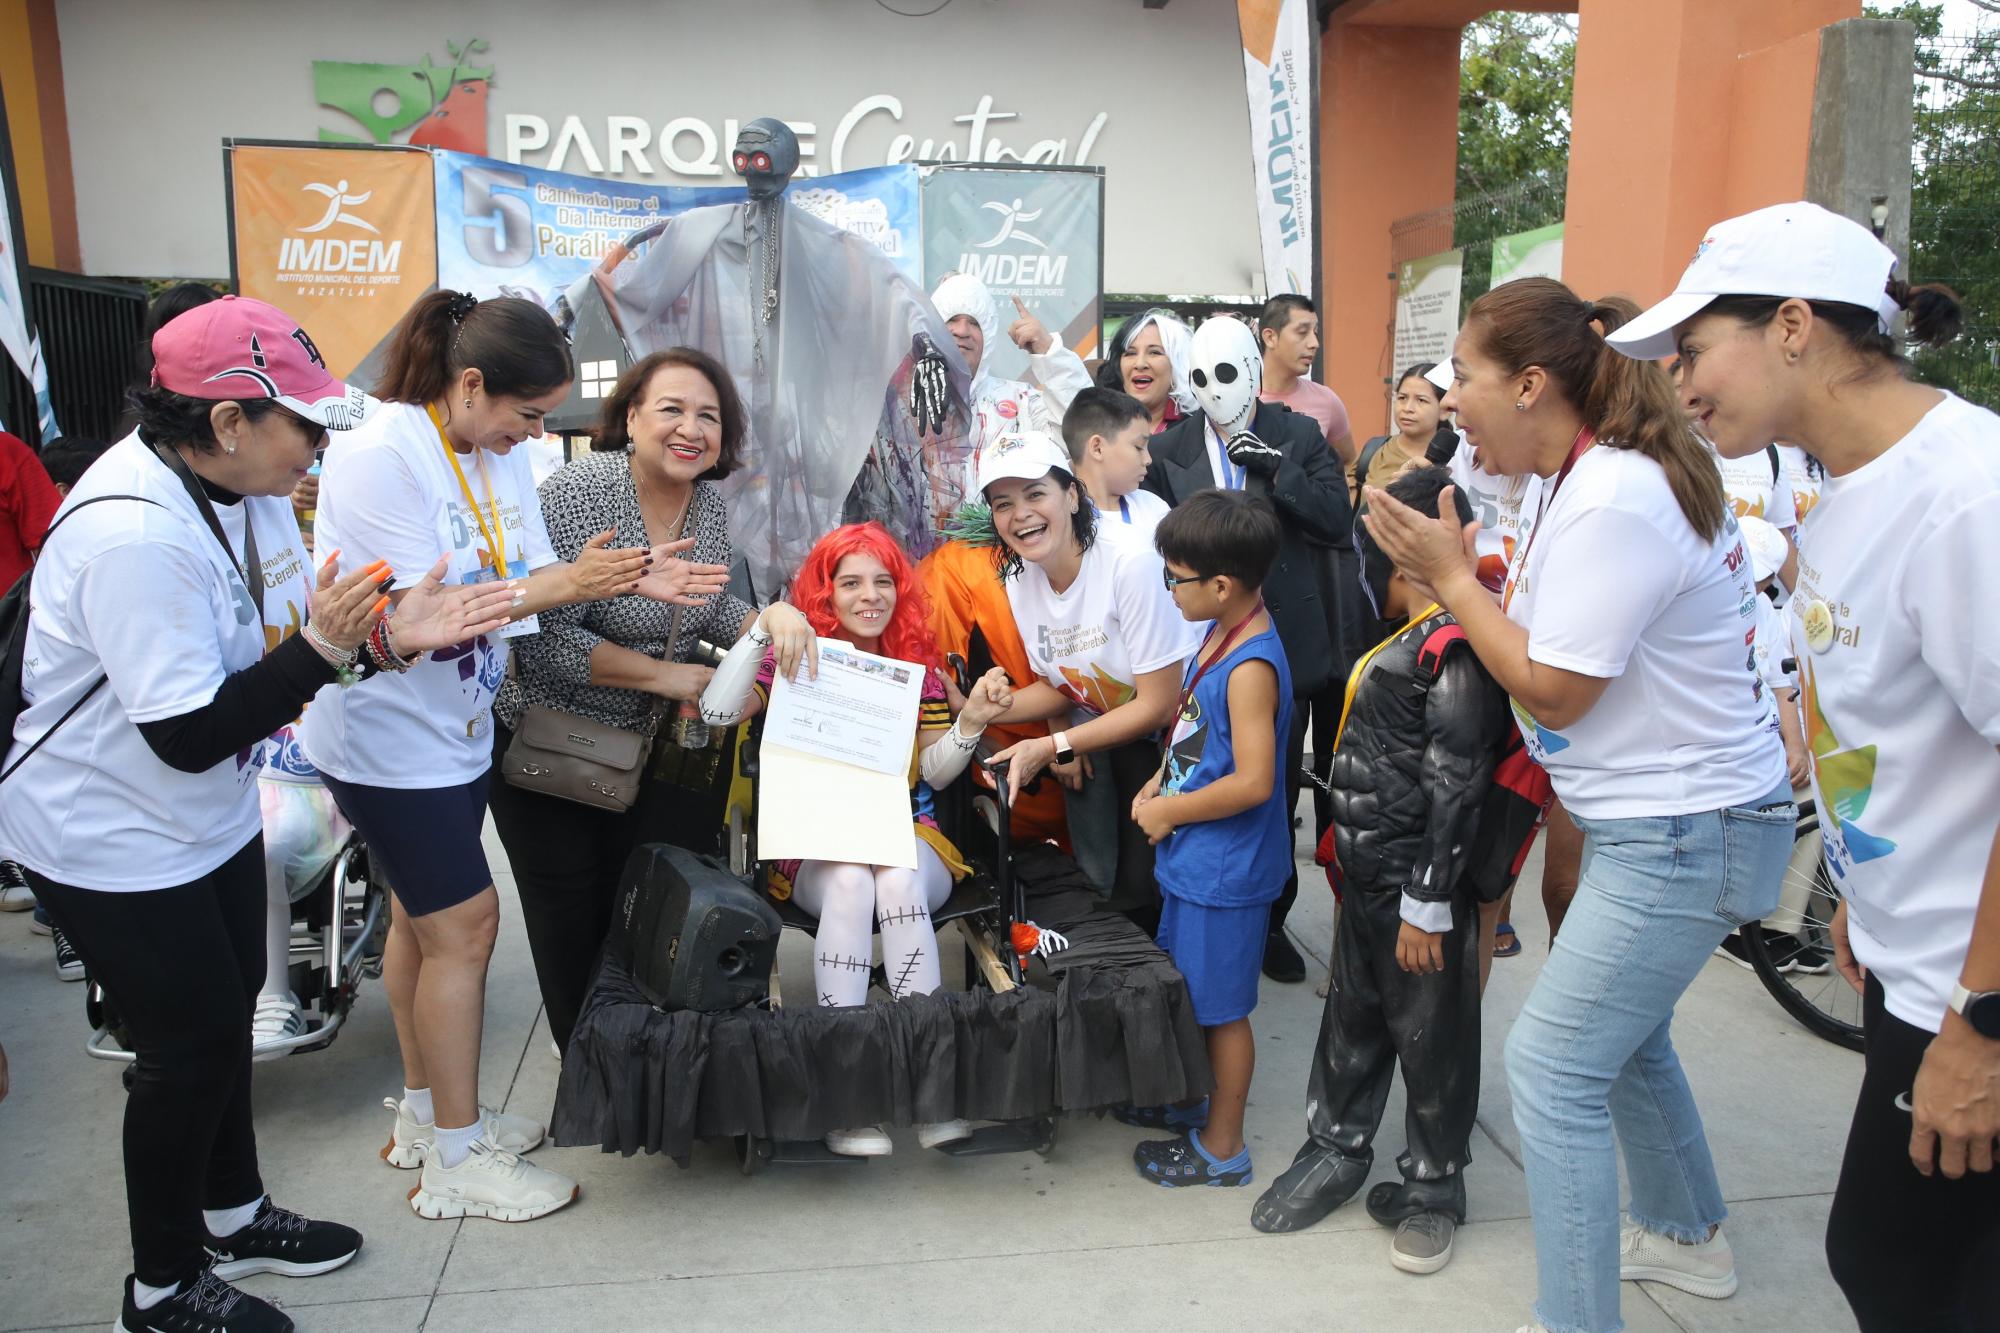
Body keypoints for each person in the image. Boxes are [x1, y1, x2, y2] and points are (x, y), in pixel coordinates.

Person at [0, 295, 514, 1332]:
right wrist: (331, 647)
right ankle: (159, 1288)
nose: (320, 447)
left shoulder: (250, 492)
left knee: (233, 1008)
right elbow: (187, 728)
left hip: (208, 811)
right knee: (183, 1046)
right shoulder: (132, 536)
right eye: (305, 425)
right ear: (228, 422)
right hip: (106, 836)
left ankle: (232, 1212)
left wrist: (378, 637)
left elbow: (277, 650)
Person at [1363, 277, 1793, 1333]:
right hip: (1674, 822)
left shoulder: (1612, 494)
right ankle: (1684, 1237)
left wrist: (1448, 578)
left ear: (1529, 382)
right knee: (1622, 1035)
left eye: (1459, 376)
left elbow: (1552, 686)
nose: (1445, 397)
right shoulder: (1582, 477)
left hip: (1685, 830)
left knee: (1549, 1064)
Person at [1611, 198, 2000, 1332]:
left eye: (1691, 350)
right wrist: (1862, 903)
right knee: (1888, 1264)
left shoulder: (1963, 496)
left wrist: (1982, 1017)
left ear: (1791, 325)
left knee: (1906, 1272)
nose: (1677, 383)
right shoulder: (1843, 492)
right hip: (1908, 959)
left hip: (1969, 995)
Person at [304, 290, 716, 1225]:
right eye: (527, 415)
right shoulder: (381, 454)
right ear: (470, 382)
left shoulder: (496, 452)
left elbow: (526, 583)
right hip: (388, 740)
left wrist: (627, 574)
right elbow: (420, 618)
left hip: (454, 734)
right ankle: (456, 1162)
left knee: (419, 923)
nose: (536, 435)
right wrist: (573, 579)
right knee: (468, 927)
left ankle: (425, 1114)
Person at [488, 348, 810, 1056]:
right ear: (630, 416)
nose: (690, 427)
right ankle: (590, 1069)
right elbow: (539, 636)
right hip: (554, 752)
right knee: (571, 923)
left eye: (709, 415)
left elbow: (708, 606)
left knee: (643, 908)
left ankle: (641, 1065)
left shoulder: (708, 507)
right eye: (671, 408)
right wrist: (667, 679)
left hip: (647, 756)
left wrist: (769, 620)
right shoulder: (579, 492)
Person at [1252, 466, 1511, 1277]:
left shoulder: (1458, 647)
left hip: (1412, 888)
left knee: (1432, 1040)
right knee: (1353, 1022)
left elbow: (1459, 778)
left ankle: (1436, 1186)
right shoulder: (1405, 637)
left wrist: (1430, 900)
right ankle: (1336, 1145)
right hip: (1365, 876)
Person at [700, 522, 1010, 1157]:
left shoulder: (915, 665)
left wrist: (971, 720)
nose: (871, 595)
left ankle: (932, 1089)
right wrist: (765, 626)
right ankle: (846, 1095)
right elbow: (715, 713)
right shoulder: (790, 654)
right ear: (825, 592)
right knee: (849, 879)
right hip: (819, 843)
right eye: (850, 583)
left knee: (892, 873)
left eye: (883, 581)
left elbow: (937, 771)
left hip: (905, 835)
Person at [1144, 315, 1354, 983]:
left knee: (1273, 780)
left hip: (1276, 637)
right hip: (1194, 637)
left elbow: (1334, 520)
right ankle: (1192, 897)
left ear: (1255, 373)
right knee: (1195, 759)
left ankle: (1267, 918)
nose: (1214, 389)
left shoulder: (1297, 432)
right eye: (1200, 377)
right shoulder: (1168, 445)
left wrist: (1280, 469)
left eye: (1227, 374)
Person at [1128, 488, 1293, 1189]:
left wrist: (1171, 812)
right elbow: (1195, 730)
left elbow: (1254, 780)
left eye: (1176, 578)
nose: (1168, 589)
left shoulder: (1251, 662)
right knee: (1192, 993)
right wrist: (1160, 780)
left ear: (1221, 585)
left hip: (1226, 871)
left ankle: (1222, 1145)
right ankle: (1190, 1101)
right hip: (1195, 860)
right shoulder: (1219, 632)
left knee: (1222, 1011)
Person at [982, 431, 1198, 926]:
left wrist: (1055, 744)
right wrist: (985, 708)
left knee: (1159, 894)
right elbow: (1062, 683)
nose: (1021, 515)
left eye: (1036, 494)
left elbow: (1160, 704)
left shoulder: (1131, 563)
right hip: (1107, 737)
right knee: (1108, 890)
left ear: (1073, 495)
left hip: (1178, 739)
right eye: (1003, 504)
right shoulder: (1020, 577)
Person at [932, 271, 1092, 491]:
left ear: (987, 336)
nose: (962, 331)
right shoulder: (902, 406)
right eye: (951, 319)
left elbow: (1083, 433)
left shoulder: (1020, 402)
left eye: (974, 323)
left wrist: (1050, 353)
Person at [1257, 293, 1355, 466]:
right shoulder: (1239, 401)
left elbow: (1348, 462)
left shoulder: (1327, 401)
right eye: (1302, 332)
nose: (1314, 343)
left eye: (1315, 332)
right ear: (1270, 337)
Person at [1063, 386, 1167, 538]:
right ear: (1097, 448)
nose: (1148, 460)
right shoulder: (1062, 522)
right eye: (1139, 447)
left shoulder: (1154, 507)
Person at [1353, 365, 1455, 511]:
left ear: (1445, 410)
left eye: (1421, 400)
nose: (1407, 408)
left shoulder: (1457, 461)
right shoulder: (1374, 450)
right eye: (1402, 398)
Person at [1097, 308, 1195, 434]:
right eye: (1130, 353)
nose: (1140, 364)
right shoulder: (1098, 425)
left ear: (1178, 364)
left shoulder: (1198, 430)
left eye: (1154, 352)